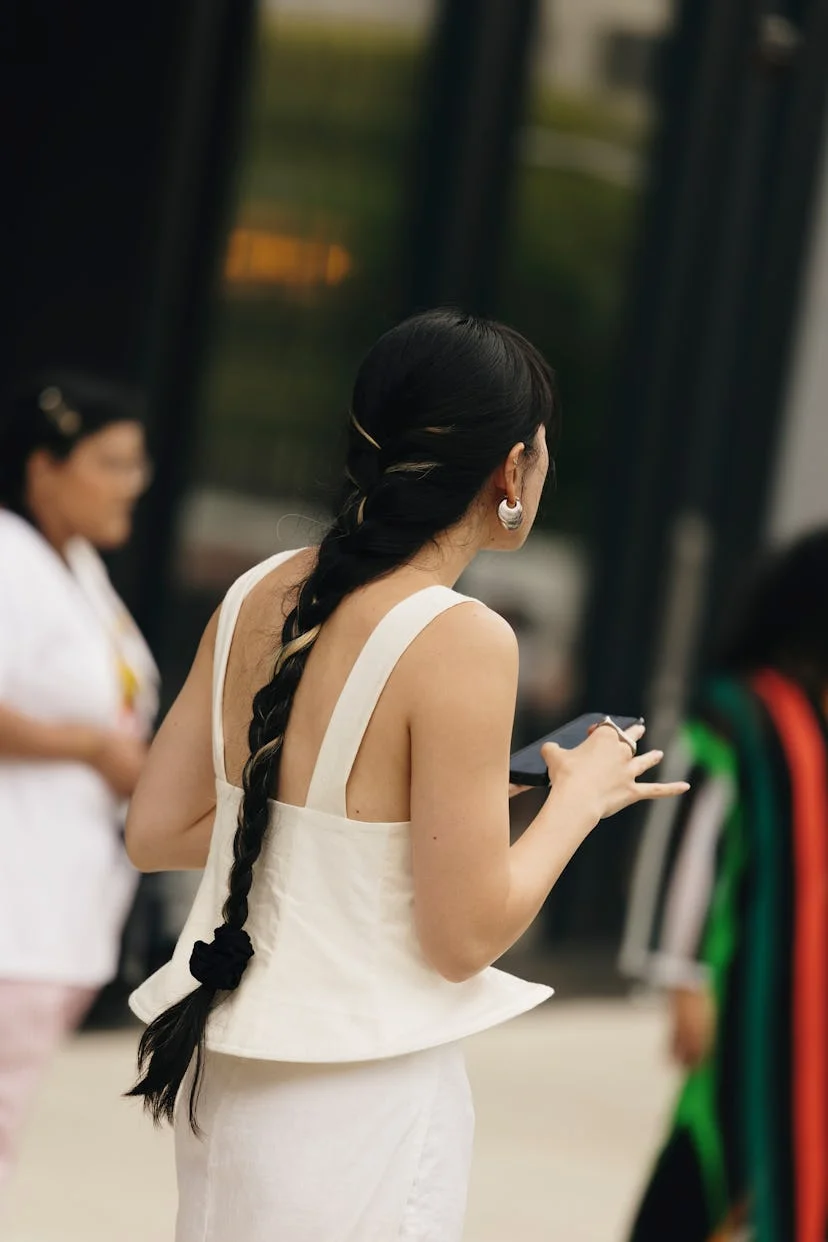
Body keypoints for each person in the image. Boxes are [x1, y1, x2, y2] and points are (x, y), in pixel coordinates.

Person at [125, 309, 687, 1242]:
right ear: (511, 471)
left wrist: (409, 819)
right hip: (360, 1085)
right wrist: (580, 798)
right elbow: (465, 937)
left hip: (228, 1063)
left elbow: (159, 828)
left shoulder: (257, 589)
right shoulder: (462, 635)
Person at [620, 528, 828, 1242]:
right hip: (750, 998)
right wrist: (682, 977)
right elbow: (688, 849)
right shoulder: (741, 715)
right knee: (718, 1149)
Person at [0, 374, 158, 1189]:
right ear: (43, 467)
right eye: (111, 461)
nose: (133, 482)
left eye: (137, 463)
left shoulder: (84, 572)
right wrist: (92, 749)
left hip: (60, 909)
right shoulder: (7, 555)